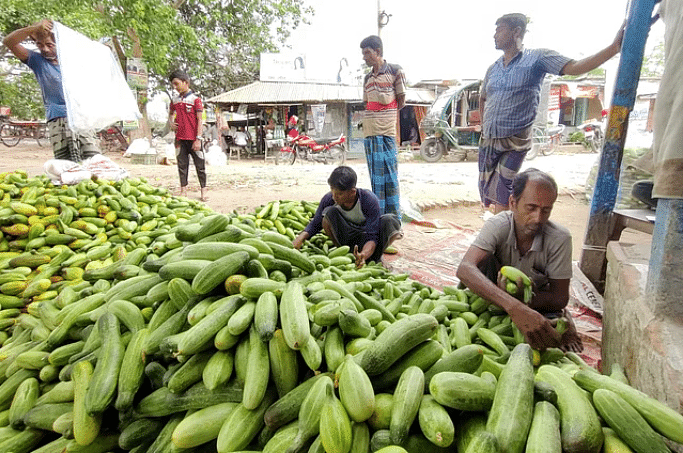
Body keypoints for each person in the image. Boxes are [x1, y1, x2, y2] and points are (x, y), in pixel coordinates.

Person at [479, 13, 625, 213]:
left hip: (516, 139)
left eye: (499, 30)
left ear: (516, 32)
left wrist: (612, 49)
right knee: (488, 190)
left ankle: (502, 234)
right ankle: (500, 227)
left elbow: (574, 67)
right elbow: (483, 97)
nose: (494, 35)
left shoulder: (537, 58)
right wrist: (484, 128)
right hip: (489, 139)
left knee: (504, 188)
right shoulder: (493, 69)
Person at [456, 168, 582, 352]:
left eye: (546, 210)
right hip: (493, 296)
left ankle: (563, 319)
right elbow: (465, 268)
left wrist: (525, 303)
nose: (538, 218)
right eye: (531, 208)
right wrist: (513, 305)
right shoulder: (498, 225)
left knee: (553, 338)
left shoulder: (559, 238)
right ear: (513, 203)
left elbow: (560, 297)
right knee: (481, 270)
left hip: (536, 300)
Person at [2, 19, 101, 162]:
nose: (45, 49)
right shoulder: (37, 61)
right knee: (66, 164)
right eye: (40, 45)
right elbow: (8, 41)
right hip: (58, 119)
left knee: (93, 160)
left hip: (81, 119)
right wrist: (33, 28)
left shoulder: (72, 62)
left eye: (49, 45)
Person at [292, 166, 403, 268]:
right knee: (328, 215)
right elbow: (316, 223)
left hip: (366, 238)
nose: (334, 196)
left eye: (339, 194)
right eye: (332, 190)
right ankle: (345, 253)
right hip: (346, 237)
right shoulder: (329, 199)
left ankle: (373, 257)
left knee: (391, 221)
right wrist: (300, 238)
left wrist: (364, 254)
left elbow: (372, 236)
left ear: (352, 192)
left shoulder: (368, 200)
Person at [360, 35, 407, 220]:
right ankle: (379, 218)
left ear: (377, 52)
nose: (364, 57)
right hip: (370, 132)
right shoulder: (367, 78)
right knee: (376, 178)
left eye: (367, 53)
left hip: (386, 132)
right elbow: (366, 103)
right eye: (363, 53)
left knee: (390, 176)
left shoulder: (396, 71)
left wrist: (385, 114)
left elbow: (401, 101)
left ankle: (394, 220)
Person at [168, 69, 207, 201]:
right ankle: (183, 190)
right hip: (180, 139)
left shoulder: (196, 100)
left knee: (200, 166)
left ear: (185, 82)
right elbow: (170, 114)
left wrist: (198, 139)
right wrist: (171, 122)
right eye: (173, 84)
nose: (175, 87)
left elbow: (200, 120)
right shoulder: (174, 100)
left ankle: (203, 191)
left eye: (177, 83)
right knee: (182, 165)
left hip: (194, 139)